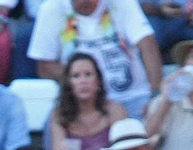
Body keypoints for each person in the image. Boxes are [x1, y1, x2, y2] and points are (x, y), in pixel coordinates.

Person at [26, 0, 162, 118]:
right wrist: (82, 79)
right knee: (54, 122)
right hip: (82, 105)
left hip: (133, 98)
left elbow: (148, 45)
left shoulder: (121, 2)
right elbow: (45, 67)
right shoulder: (52, 8)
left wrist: (155, 95)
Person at [46, 52, 125, 150]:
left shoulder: (115, 110)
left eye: (88, 75)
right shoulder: (59, 113)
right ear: (69, 84)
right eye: (76, 76)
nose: (83, 81)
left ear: (98, 81)